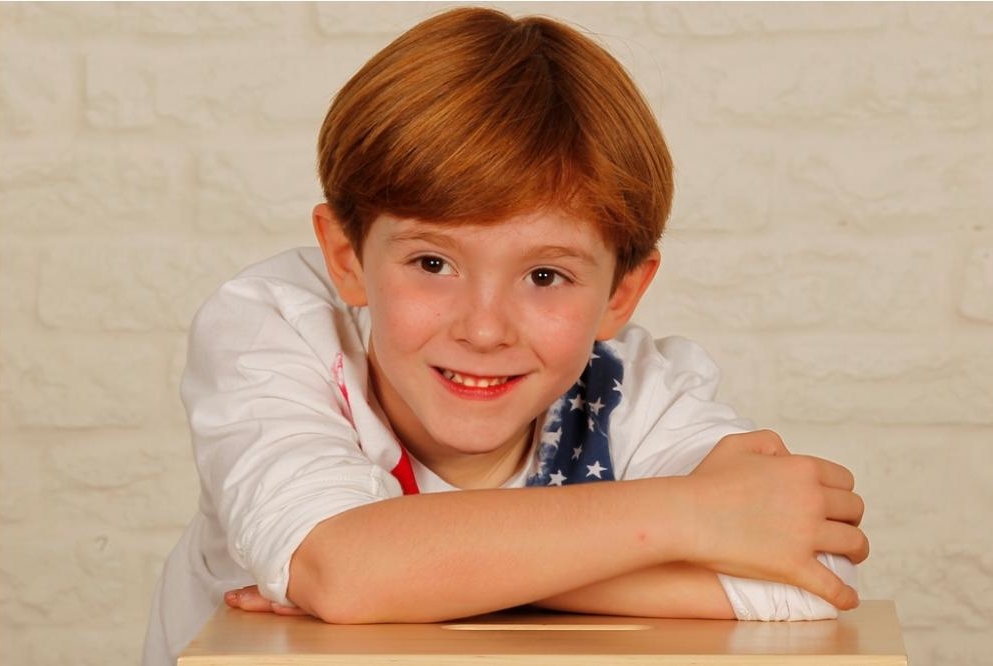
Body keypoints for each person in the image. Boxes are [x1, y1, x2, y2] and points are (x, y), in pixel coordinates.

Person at [143, 7, 868, 666]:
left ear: (621, 292)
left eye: (546, 276)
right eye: (432, 264)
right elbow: (342, 570)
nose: (484, 328)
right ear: (347, 257)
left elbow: (812, 576)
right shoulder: (276, 326)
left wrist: (412, 576)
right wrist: (690, 518)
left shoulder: (640, 391)